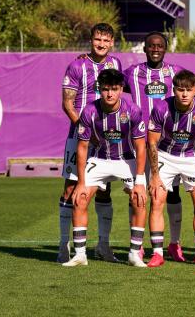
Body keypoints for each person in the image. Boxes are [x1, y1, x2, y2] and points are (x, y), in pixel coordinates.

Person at [62, 69, 148, 268]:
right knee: (80, 197)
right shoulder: (90, 111)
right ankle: (80, 255)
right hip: (100, 159)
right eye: (106, 89)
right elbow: (83, 147)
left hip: (126, 160)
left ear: (121, 90)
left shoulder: (132, 110)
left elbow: (140, 146)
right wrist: (82, 182)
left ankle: (135, 254)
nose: (110, 94)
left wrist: (141, 181)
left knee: (139, 198)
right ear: (99, 89)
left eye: (115, 89)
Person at [58, 23, 122, 263]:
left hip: (107, 137)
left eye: (106, 41)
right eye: (98, 39)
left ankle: (103, 246)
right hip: (80, 136)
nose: (101, 44)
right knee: (70, 188)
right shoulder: (77, 65)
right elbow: (67, 104)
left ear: (112, 42)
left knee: (104, 190)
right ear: (91, 39)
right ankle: (64, 246)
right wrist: (86, 128)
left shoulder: (116, 65)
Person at [123, 31, 187, 263]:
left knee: (171, 193)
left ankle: (174, 244)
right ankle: (137, 245)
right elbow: (112, 86)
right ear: (145, 49)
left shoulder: (176, 72)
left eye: (160, 45)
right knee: (137, 193)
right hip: (139, 141)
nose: (155, 49)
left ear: (165, 48)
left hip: (168, 143)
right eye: (151, 46)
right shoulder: (132, 73)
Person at [146, 70, 195, 267]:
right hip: (165, 156)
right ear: (173, 90)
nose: (184, 94)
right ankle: (157, 253)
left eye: (188, 90)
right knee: (157, 199)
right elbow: (152, 143)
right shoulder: (161, 108)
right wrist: (155, 176)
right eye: (180, 90)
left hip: (192, 157)